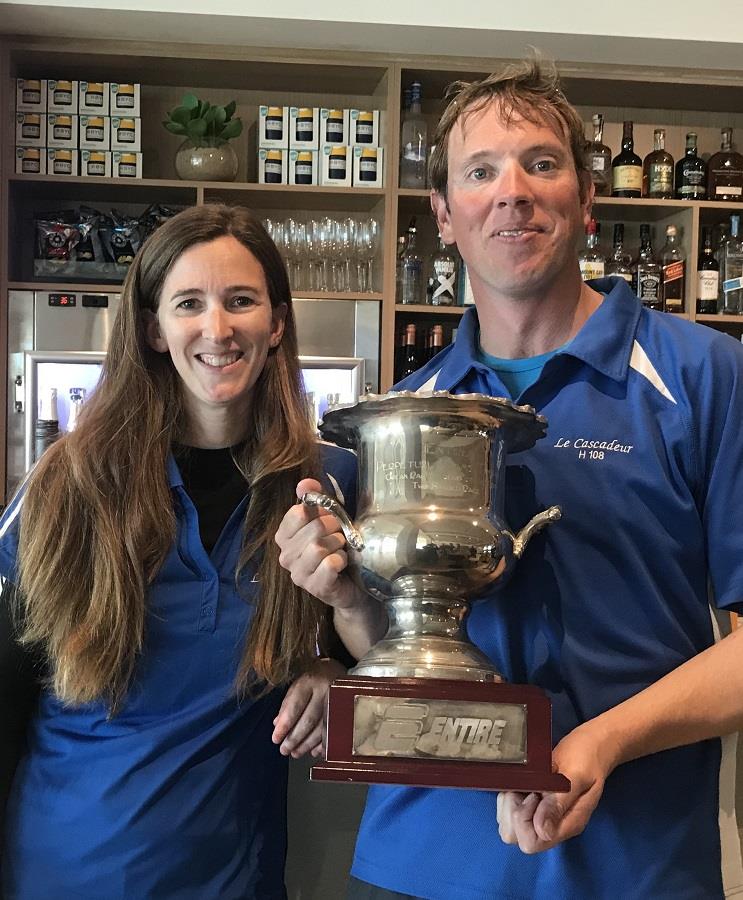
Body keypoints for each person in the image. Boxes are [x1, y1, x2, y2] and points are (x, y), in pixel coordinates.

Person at [275, 58, 743, 900]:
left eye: (541, 162)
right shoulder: (404, 411)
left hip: (636, 864)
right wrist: (346, 600)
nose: (512, 191)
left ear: (587, 200)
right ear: (445, 216)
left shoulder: (704, 375)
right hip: (423, 859)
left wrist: (600, 742)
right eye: (480, 171)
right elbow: (394, 646)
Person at [0, 203, 356, 898]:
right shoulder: (67, 484)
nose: (217, 329)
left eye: (241, 301)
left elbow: (385, 641)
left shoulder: (330, 483)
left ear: (277, 323)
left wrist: (328, 665)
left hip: (234, 879)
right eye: (188, 303)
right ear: (154, 330)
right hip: (62, 870)